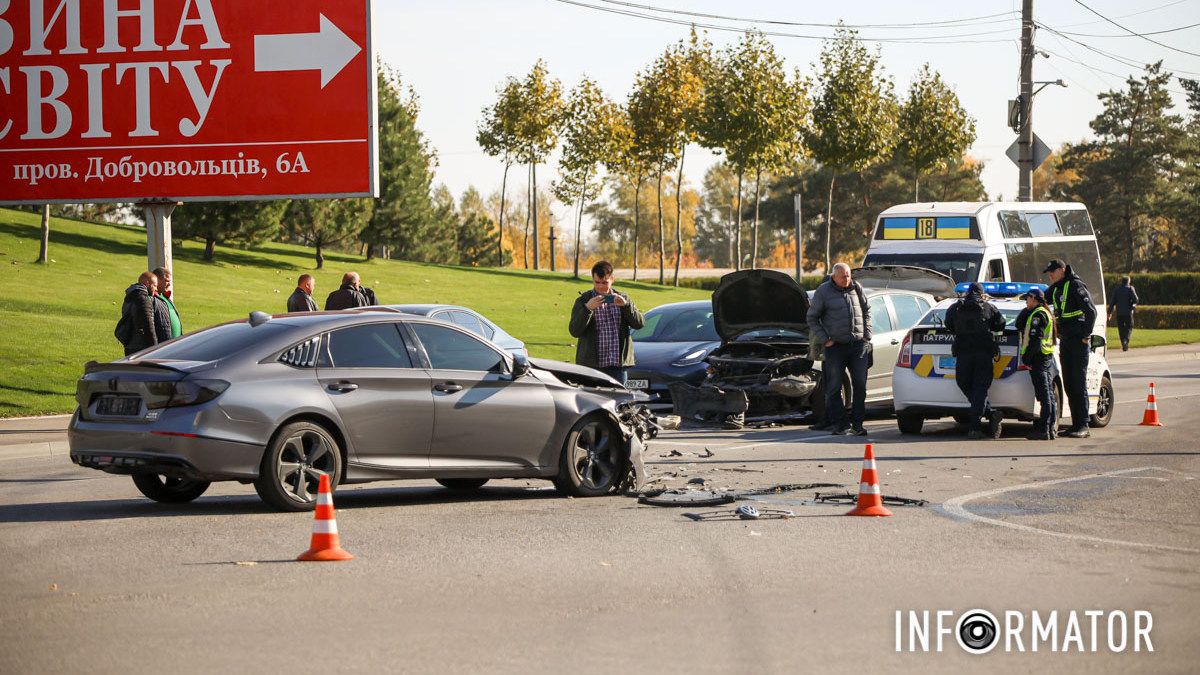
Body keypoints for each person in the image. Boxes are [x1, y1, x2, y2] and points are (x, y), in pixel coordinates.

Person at [806, 263, 871, 436]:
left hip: (858, 346)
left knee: (860, 386)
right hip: (835, 348)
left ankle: (857, 425)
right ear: (834, 277)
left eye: (849, 275)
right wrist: (825, 339)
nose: (847, 279)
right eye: (843, 276)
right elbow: (812, 318)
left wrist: (867, 335)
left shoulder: (857, 288)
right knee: (833, 388)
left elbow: (867, 311)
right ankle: (840, 423)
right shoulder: (823, 292)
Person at [945, 282, 1006, 439]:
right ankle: (979, 424)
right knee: (980, 388)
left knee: (964, 383)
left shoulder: (955, 307)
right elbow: (1001, 324)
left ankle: (985, 417)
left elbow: (948, 325)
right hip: (983, 353)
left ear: (968, 293)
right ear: (981, 293)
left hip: (963, 353)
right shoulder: (988, 307)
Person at [568, 260, 645, 384]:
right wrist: (588, 309)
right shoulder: (584, 300)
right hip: (591, 367)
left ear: (612, 279)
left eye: (605, 282)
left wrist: (626, 306)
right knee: (592, 402)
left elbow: (639, 323)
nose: (600, 286)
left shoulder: (623, 298)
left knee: (620, 401)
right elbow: (574, 331)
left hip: (618, 367)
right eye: (597, 282)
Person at [1045, 258, 1098, 438]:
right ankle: (1075, 425)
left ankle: (1083, 425)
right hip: (1066, 341)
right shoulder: (1057, 287)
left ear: (1062, 269)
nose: (1050, 275)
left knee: (1078, 383)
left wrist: (1085, 335)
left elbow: (1091, 311)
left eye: (1053, 271)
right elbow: (1042, 297)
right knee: (1068, 383)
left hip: (1078, 342)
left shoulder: (1075, 285)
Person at [1016, 288, 1057, 441]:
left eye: (1028, 299)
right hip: (1043, 357)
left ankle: (1044, 429)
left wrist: (1027, 358)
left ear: (1034, 298)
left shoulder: (1038, 315)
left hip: (1039, 358)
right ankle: (1050, 428)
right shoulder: (1037, 312)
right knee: (1047, 394)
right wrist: (1026, 309)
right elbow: (1018, 324)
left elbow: (1035, 340)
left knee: (1044, 395)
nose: (1026, 301)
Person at [116, 272, 159, 356]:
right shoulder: (143, 299)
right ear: (148, 283)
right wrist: (155, 348)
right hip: (141, 347)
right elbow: (148, 325)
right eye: (155, 285)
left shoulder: (130, 296)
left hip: (130, 345)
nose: (156, 289)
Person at [1107, 276, 1139, 351]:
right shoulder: (1130, 288)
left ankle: (1123, 343)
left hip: (1119, 313)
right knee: (1129, 327)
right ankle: (1125, 341)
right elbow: (1136, 300)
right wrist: (1132, 305)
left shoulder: (1117, 290)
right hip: (1128, 312)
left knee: (1121, 329)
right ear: (1128, 281)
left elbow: (1112, 302)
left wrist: (1109, 313)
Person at [152, 266, 182, 339]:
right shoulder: (151, 298)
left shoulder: (165, 297)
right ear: (157, 280)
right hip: (164, 347)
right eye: (167, 281)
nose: (169, 284)